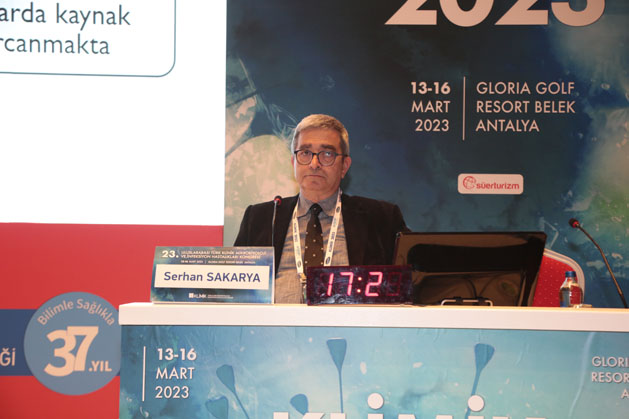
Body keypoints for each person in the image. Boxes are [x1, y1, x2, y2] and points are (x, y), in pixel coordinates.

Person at [234, 114, 409, 303]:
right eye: (305, 153)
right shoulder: (261, 218)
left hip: (352, 322)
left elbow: (416, 281)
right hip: (271, 322)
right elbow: (234, 293)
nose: (314, 164)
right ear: (293, 163)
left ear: (344, 166)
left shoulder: (381, 218)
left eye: (327, 154)